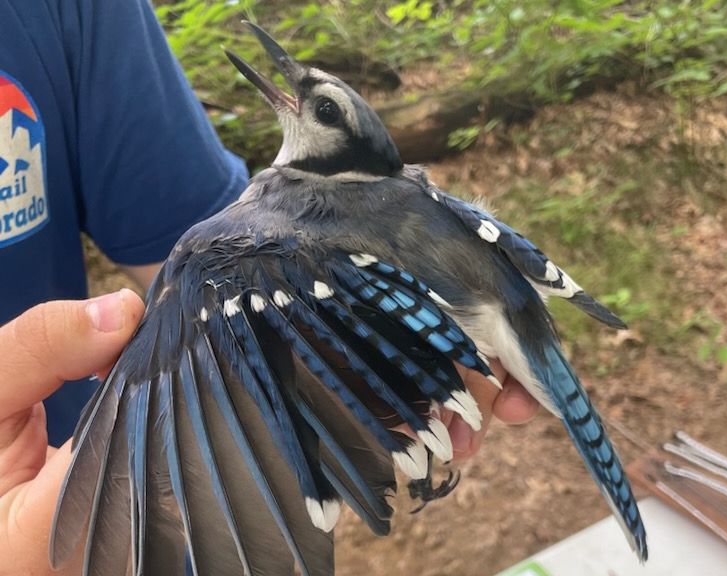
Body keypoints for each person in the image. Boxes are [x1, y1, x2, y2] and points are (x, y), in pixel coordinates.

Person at [0, 0, 537, 573]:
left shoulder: (65, 12)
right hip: (79, 495)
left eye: (323, 107)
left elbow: (220, 260)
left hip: (89, 494)